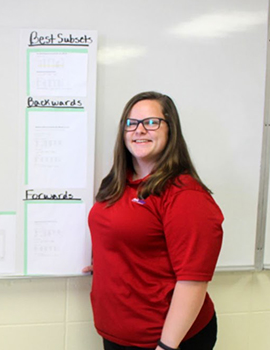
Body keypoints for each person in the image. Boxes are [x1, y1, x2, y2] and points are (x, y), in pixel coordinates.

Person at [85, 91, 223, 350]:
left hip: (164, 340)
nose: (139, 130)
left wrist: (167, 347)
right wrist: (111, 260)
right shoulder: (117, 183)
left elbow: (193, 280)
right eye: (131, 123)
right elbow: (130, 237)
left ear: (171, 130)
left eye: (151, 122)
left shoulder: (184, 194)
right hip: (118, 332)